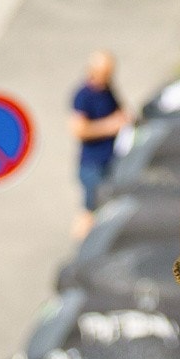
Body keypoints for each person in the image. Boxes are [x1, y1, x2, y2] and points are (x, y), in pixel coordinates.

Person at [70, 50, 129, 234]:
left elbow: (120, 112)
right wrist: (110, 126)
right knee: (89, 210)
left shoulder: (108, 90)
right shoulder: (83, 95)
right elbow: (79, 130)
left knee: (106, 207)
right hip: (92, 164)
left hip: (110, 159)